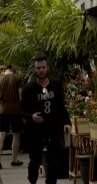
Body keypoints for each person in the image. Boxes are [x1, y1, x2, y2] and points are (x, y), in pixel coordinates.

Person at [21, 55, 71, 184]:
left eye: (43, 67)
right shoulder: (28, 88)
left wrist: (67, 122)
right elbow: (22, 110)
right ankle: (32, 180)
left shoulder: (57, 84)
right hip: (35, 129)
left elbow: (61, 106)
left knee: (54, 158)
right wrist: (32, 116)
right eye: (38, 68)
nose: (41, 70)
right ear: (34, 69)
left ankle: (51, 182)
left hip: (53, 126)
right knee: (35, 159)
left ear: (47, 68)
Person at [0, 65, 24, 169]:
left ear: (3, 70)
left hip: (3, 110)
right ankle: (14, 159)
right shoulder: (17, 78)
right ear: (13, 69)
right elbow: (20, 95)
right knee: (16, 135)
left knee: (1, 135)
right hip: (15, 110)